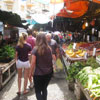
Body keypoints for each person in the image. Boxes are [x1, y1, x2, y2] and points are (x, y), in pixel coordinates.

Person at [29, 33, 53, 100]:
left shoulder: (35, 49)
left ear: (37, 39)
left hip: (38, 74)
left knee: (38, 91)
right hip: (48, 73)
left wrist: (30, 73)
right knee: (44, 89)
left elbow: (33, 62)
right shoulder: (49, 49)